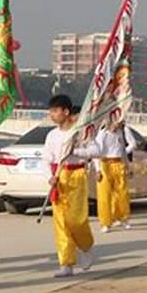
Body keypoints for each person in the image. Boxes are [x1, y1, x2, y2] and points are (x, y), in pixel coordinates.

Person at [43, 95, 98, 278]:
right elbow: (46, 159)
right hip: (59, 178)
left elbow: (96, 151)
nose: (52, 115)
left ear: (66, 112)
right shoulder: (52, 135)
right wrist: (49, 177)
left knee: (76, 219)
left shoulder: (81, 133)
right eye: (51, 111)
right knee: (61, 222)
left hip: (77, 176)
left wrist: (75, 151)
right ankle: (66, 263)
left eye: (55, 111)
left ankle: (86, 246)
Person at [94, 120, 136, 233]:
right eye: (114, 121)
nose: (116, 124)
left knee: (122, 193)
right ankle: (105, 222)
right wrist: (98, 170)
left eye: (118, 121)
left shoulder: (120, 133)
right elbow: (96, 153)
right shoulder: (102, 134)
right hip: (105, 164)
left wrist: (128, 166)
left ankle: (123, 218)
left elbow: (122, 152)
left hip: (118, 164)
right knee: (105, 194)